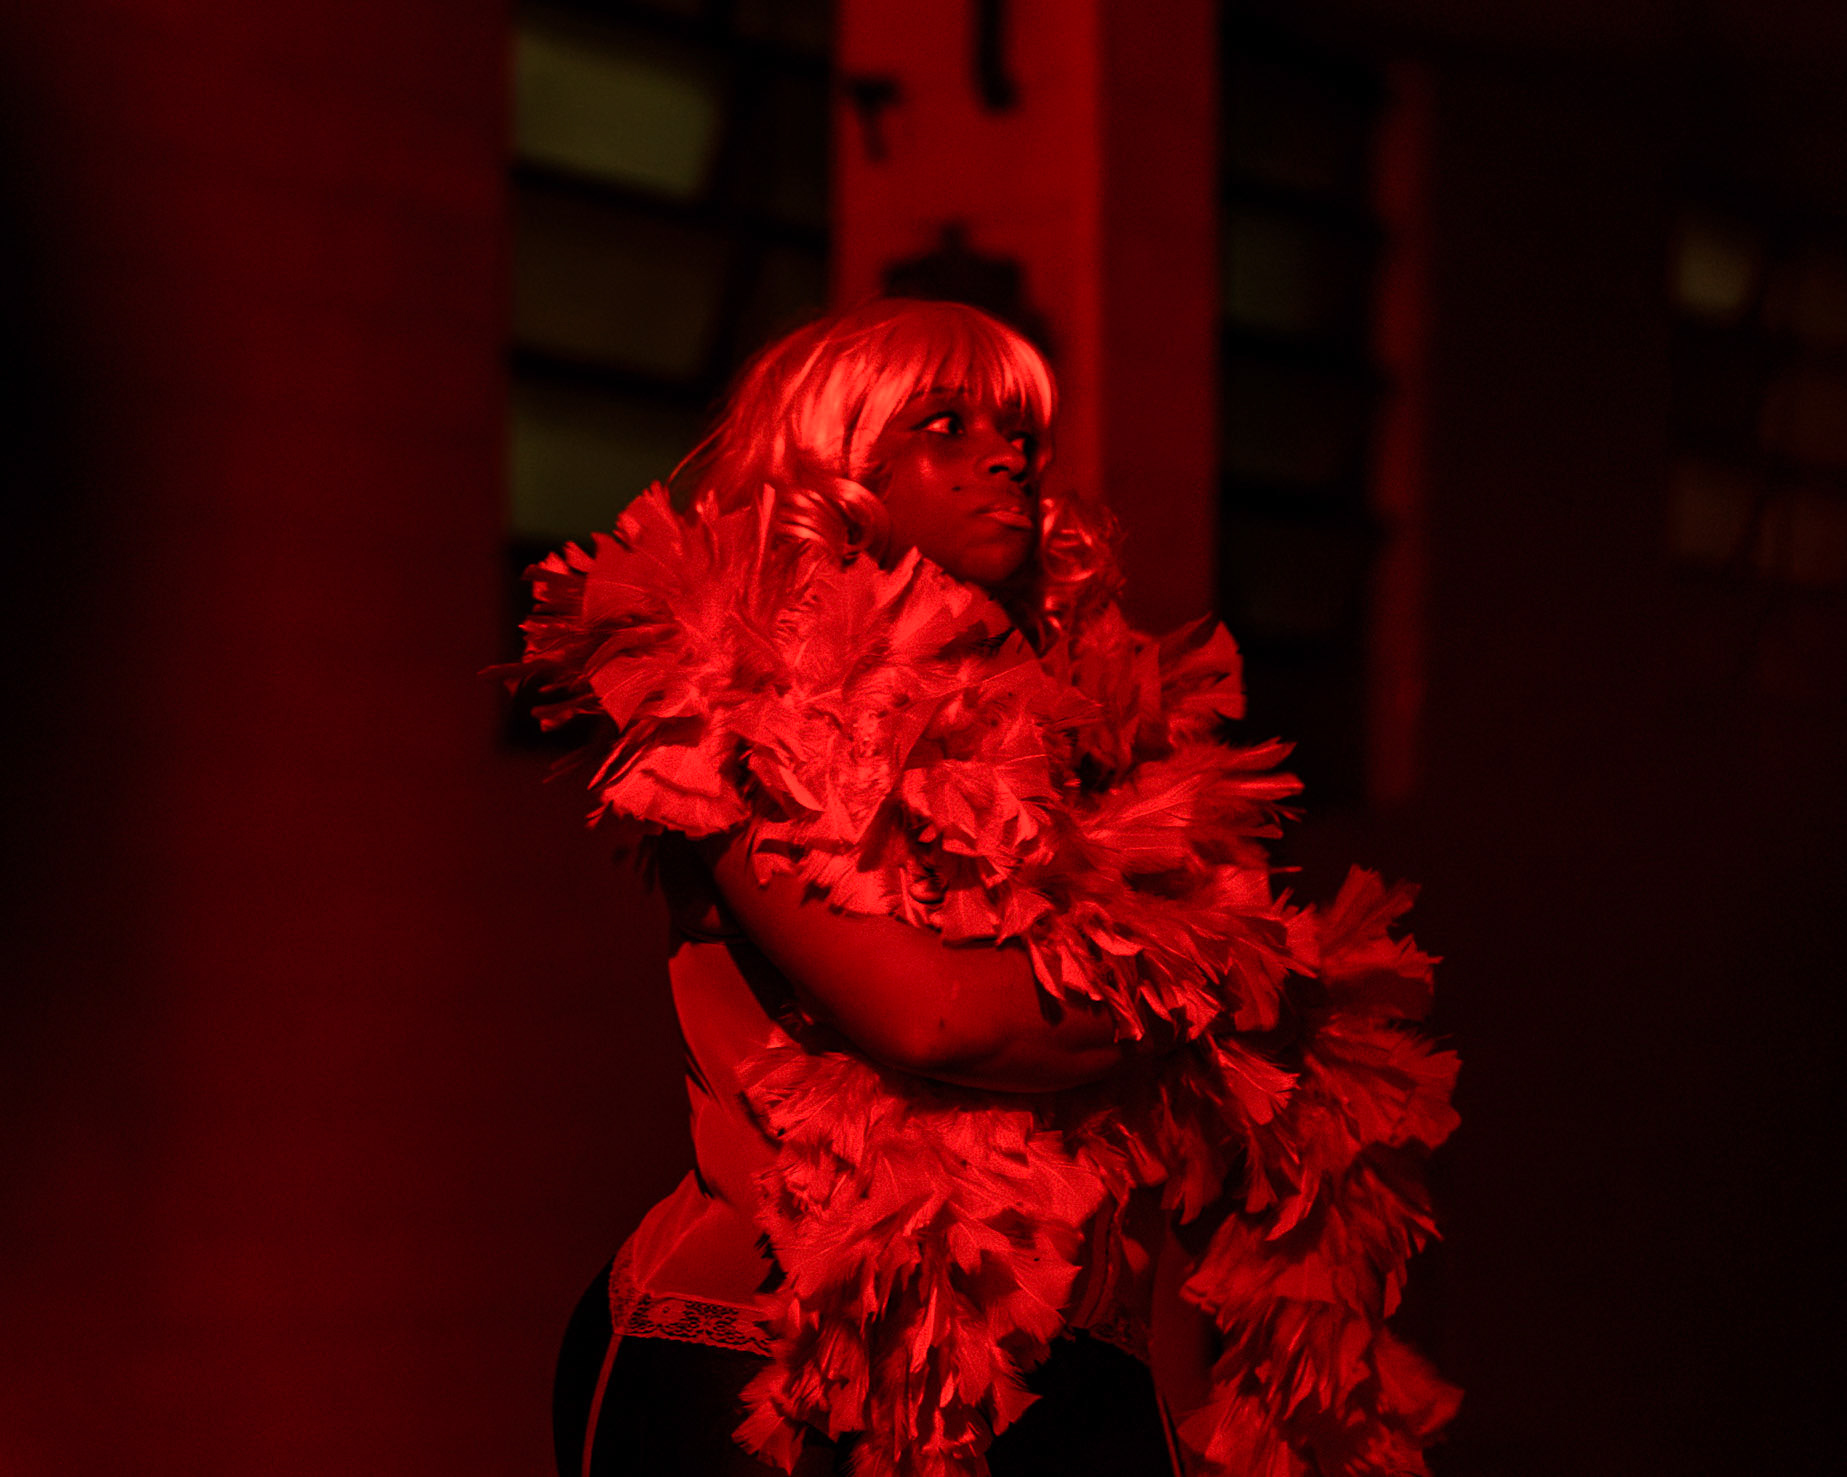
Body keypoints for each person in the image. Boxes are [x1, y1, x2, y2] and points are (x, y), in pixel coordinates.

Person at [513, 299, 1459, 1477]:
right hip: (760, 1374)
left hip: (1071, 1367)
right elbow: (933, 1017)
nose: (1006, 455)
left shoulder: (1100, 733)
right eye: (943, 426)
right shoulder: (724, 698)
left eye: (1019, 430)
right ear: (836, 462)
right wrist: (1192, 983)